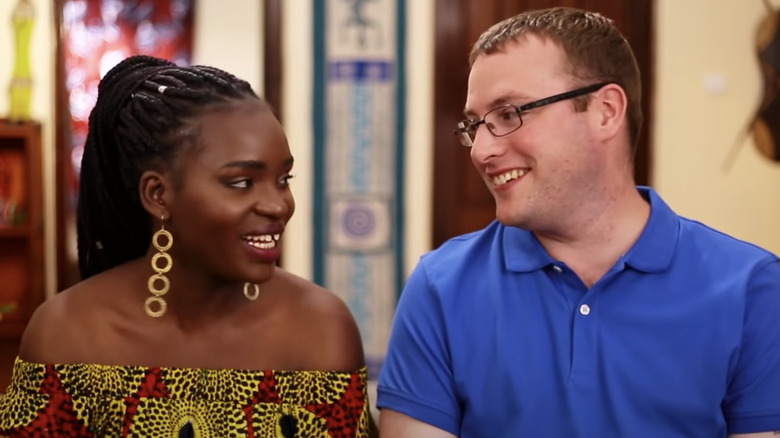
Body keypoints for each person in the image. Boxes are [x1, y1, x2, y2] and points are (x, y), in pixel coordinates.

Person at [377, 7, 780, 438]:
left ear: (605, 111)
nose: (480, 151)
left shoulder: (751, 288)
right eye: (476, 125)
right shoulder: (440, 286)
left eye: (509, 114)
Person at [0, 55, 371, 437]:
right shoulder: (67, 334)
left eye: (283, 179)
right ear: (158, 194)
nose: (279, 205)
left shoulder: (320, 329)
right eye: (241, 182)